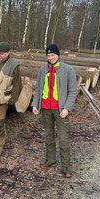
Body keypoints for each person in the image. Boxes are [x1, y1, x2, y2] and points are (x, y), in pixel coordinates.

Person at [31, 44, 77, 177]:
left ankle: (66, 166)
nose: (50, 57)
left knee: (63, 138)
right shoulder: (42, 70)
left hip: (60, 109)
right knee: (49, 136)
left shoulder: (68, 70)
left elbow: (73, 92)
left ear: (58, 55)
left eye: (52, 55)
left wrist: (67, 108)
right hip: (45, 108)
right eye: (48, 55)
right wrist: (35, 104)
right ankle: (50, 159)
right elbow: (39, 89)